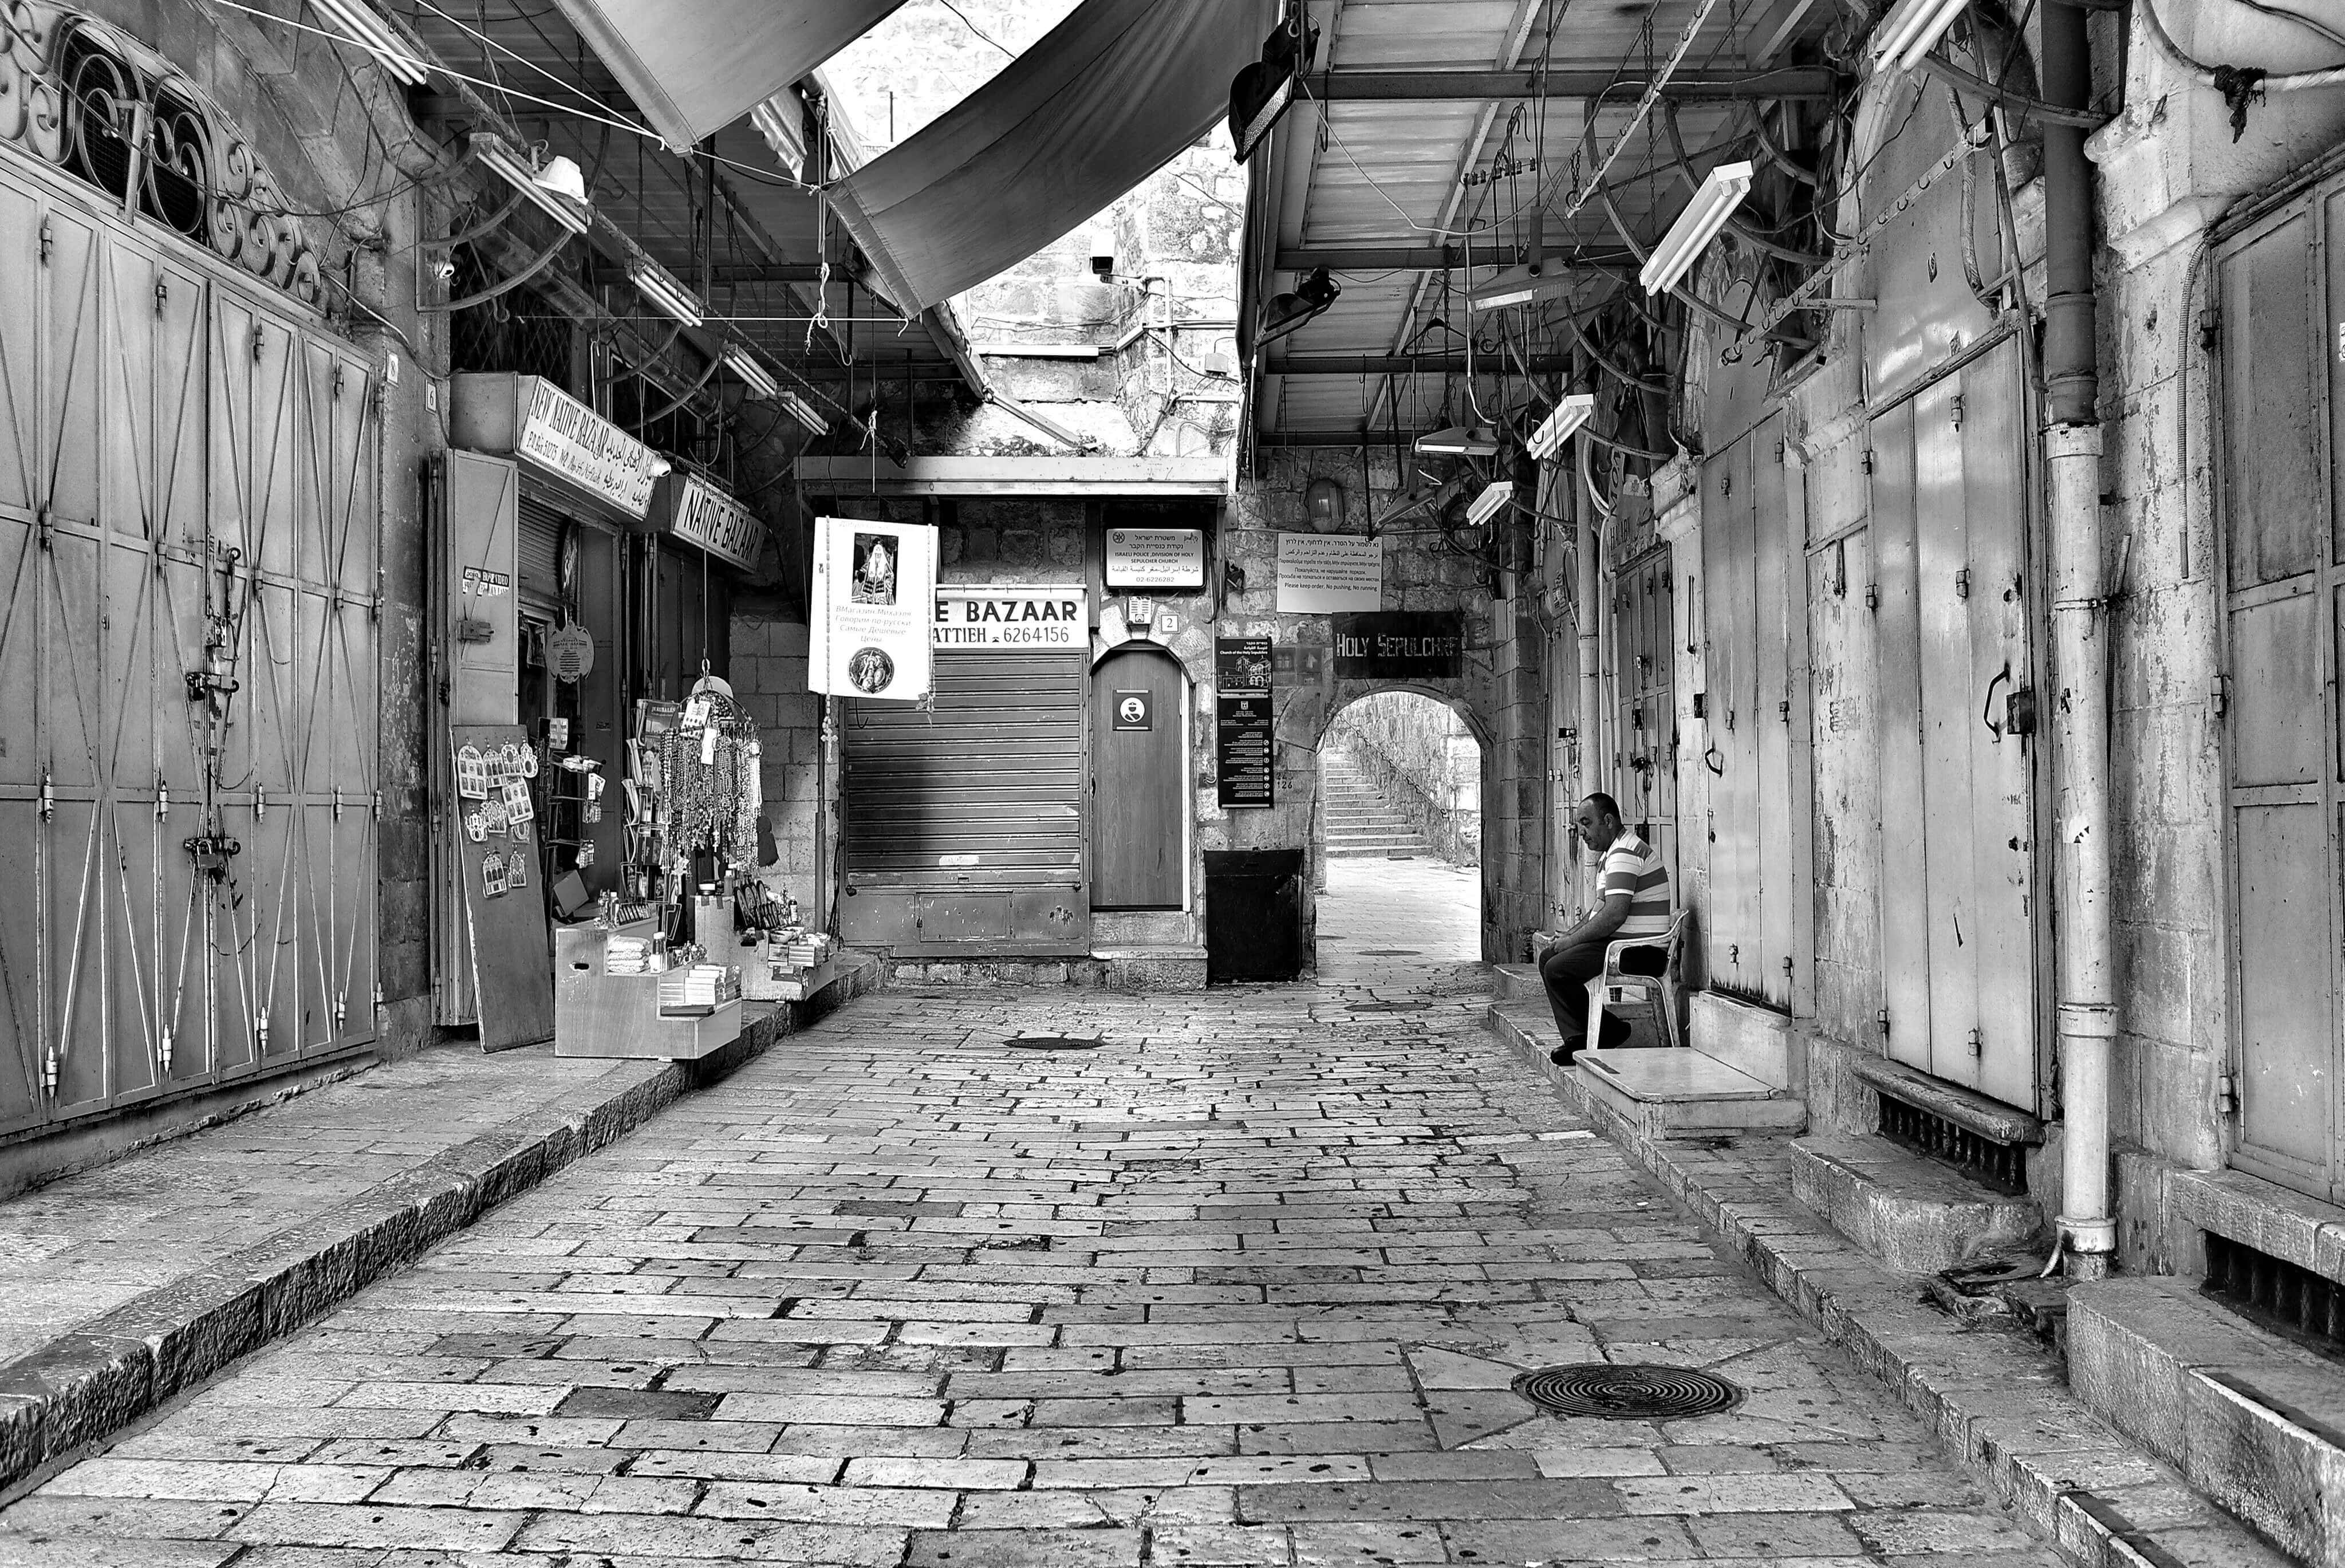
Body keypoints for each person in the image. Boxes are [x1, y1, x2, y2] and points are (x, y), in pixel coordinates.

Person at [1539, 793, 1673, 1063]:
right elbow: (1598, 909)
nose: (1582, 833)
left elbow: (1613, 915)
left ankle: (1594, 1035)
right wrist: (1569, 936)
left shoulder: (1624, 853)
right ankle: (1596, 1033)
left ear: (1608, 820)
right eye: (1578, 826)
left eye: (1587, 823)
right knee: (1548, 958)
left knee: (1557, 969)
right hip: (1620, 946)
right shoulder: (1611, 854)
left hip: (1640, 951)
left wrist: (1572, 943)